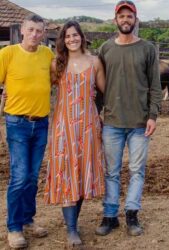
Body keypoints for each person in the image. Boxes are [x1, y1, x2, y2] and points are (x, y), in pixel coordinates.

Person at [95, 0, 162, 237]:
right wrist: (96, 114)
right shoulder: (105, 49)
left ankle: (132, 214)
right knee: (111, 171)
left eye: (129, 16)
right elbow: (100, 87)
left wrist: (153, 115)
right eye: (121, 16)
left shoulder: (147, 49)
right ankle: (110, 215)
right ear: (115, 20)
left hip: (140, 123)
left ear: (135, 20)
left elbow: (155, 85)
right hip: (112, 121)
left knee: (137, 171)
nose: (125, 20)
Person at [43, 21, 106, 246]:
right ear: (63, 40)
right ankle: (71, 230)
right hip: (64, 127)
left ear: (82, 37)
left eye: (75, 35)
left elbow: (104, 91)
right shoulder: (56, 64)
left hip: (89, 126)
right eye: (67, 36)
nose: (72, 39)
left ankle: (73, 223)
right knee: (66, 175)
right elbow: (42, 87)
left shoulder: (94, 62)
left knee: (81, 175)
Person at [0, 14, 54, 249]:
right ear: (22, 30)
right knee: (20, 176)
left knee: (32, 177)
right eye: (30, 29)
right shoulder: (7, 54)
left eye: (39, 31)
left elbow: (55, 80)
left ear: (44, 33)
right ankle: (13, 227)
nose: (34, 34)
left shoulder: (47, 54)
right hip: (17, 123)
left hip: (41, 123)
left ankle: (28, 219)